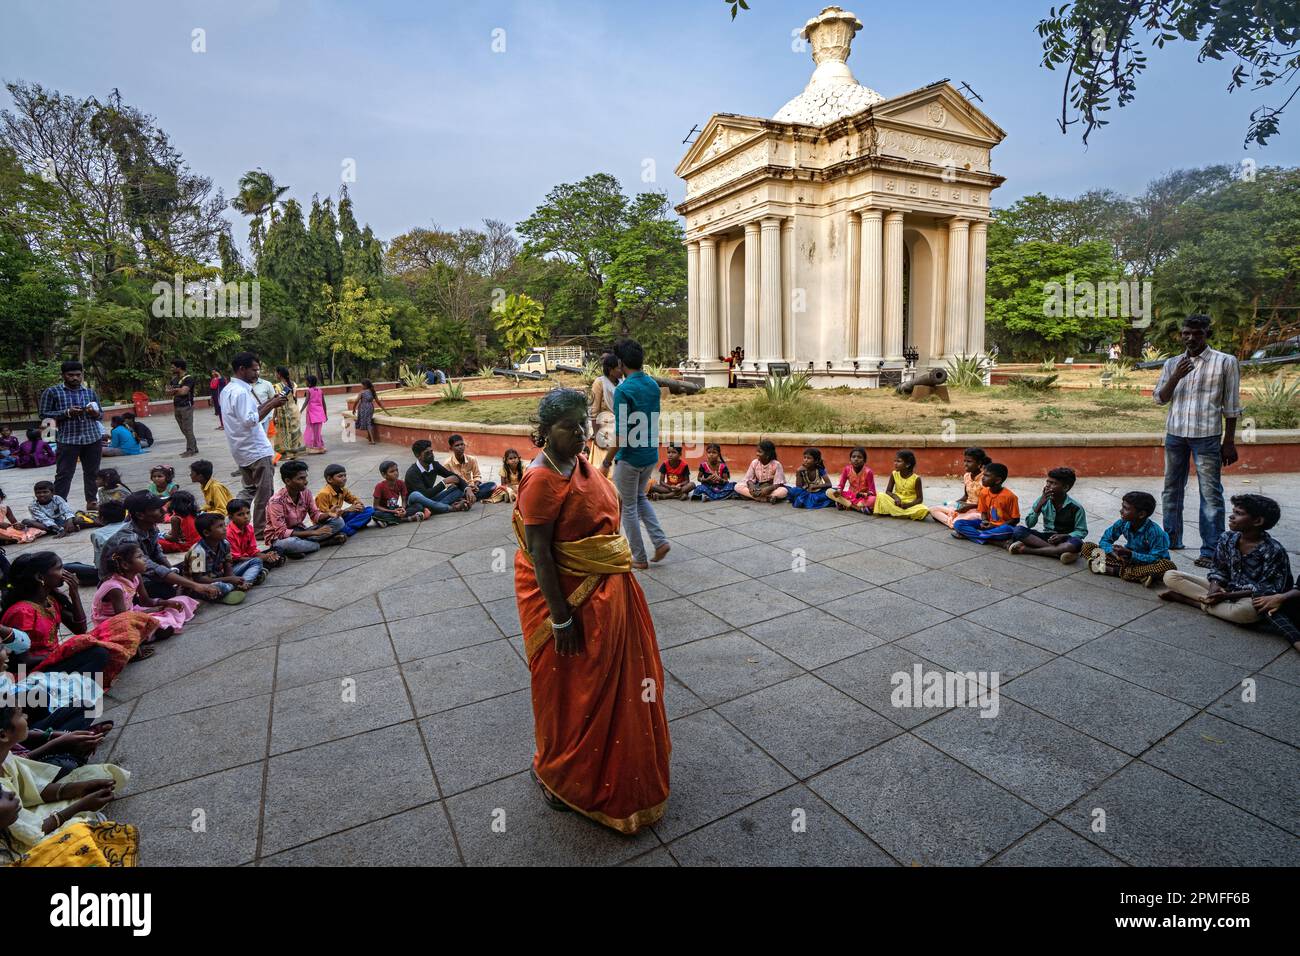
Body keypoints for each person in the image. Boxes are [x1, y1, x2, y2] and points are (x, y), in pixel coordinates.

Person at [513, 388, 669, 832]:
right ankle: (562, 773)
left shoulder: (578, 462)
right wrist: (560, 618)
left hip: (610, 593)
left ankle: (614, 774)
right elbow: (540, 555)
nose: (581, 432)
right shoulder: (541, 480)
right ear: (543, 433)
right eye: (569, 426)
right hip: (569, 603)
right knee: (571, 690)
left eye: (584, 422)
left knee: (619, 689)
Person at [1154, 314, 1241, 568]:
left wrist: (1229, 441)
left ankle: (1211, 549)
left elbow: (1232, 406)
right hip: (1175, 434)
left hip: (1207, 436)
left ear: (1207, 334)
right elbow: (1160, 399)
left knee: (1210, 493)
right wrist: (1176, 376)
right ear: (1181, 335)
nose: (1191, 338)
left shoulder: (1225, 362)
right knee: (1171, 489)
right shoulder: (1172, 363)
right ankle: (1170, 540)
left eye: (1197, 333)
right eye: (1186, 333)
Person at [0, 703, 134, 866]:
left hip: (18, 820)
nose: (26, 717)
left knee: (104, 774)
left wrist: (80, 788)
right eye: (21, 715)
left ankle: (76, 755)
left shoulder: (6, 757)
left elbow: (32, 788)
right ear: (3, 736)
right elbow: (31, 832)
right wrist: (81, 806)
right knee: (75, 830)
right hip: (12, 845)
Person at [1160, 495, 1298, 650]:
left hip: (1249, 597)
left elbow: (1268, 590)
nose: (1231, 516)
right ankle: (1211, 601)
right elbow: (1218, 569)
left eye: (1238, 513)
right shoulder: (1227, 538)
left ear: (1257, 521)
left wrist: (1226, 596)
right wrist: (1214, 587)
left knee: (1246, 614)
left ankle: (1193, 602)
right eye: (1233, 511)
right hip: (1226, 589)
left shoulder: (1273, 550)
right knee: (1171, 576)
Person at [2, 551, 159, 682]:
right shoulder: (22, 612)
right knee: (99, 654)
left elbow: (80, 629)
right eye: (59, 568)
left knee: (125, 621)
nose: (65, 573)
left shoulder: (49, 600)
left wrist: (74, 594)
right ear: (39, 577)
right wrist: (64, 652)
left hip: (56, 658)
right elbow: (22, 661)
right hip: (34, 672)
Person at [601, 339, 670, 569]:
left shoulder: (623, 390)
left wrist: (606, 460)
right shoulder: (652, 384)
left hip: (630, 457)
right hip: (650, 454)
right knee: (639, 498)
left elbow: (620, 433)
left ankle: (639, 557)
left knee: (628, 506)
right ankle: (660, 542)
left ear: (620, 363)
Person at [97, 491, 220, 601]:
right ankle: (202, 589)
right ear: (140, 515)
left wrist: (174, 573)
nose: (164, 511)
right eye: (157, 508)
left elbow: (158, 554)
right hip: (128, 585)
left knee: (194, 563)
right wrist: (194, 585)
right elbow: (152, 569)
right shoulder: (127, 539)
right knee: (171, 592)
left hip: (146, 572)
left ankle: (203, 584)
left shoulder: (151, 526)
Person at [220, 352, 288, 536]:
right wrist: (272, 404)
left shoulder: (228, 390)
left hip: (241, 449)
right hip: (255, 449)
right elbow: (250, 420)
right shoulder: (240, 392)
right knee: (265, 492)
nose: (257, 374)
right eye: (254, 370)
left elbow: (247, 415)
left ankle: (232, 521)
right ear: (242, 369)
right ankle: (261, 529)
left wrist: (270, 403)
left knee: (249, 489)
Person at [38, 360, 103, 510]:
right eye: (70, 375)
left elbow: (100, 414)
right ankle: (59, 505)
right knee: (64, 474)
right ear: (63, 375)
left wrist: (95, 413)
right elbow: (44, 414)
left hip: (92, 437)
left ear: (82, 375)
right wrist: (66, 413)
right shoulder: (52, 392)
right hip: (67, 439)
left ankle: (92, 501)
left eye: (78, 375)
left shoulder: (89, 392)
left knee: (92, 472)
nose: (75, 378)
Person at [94, 541, 200, 630]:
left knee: (182, 601)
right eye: (140, 557)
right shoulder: (115, 588)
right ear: (125, 565)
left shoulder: (137, 577)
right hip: (112, 624)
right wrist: (153, 611)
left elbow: (146, 601)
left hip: (132, 613)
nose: (145, 560)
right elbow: (122, 619)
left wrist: (167, 603)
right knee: (161, 627)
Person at [1081, 491, 1175, 587]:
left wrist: (1131, 554)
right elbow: (1105, 540)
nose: (1121, 511)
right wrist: (1112, 552)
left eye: (1126, 508)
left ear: (1141, 514)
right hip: (1125, 560)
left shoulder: (1156, 533)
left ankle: (1112, 570)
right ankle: (1139, 576)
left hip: (1147, 563)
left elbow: (1157, 557)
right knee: (1087, 546)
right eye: (1122, 506)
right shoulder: (1122, 523)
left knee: (1167, 566)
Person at [264, 460, 346, 557]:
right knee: (290, 543)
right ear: (288, 481)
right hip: (280, 538)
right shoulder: (276, 502)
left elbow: (315, 515)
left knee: (338, 521)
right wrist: (314, 532)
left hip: (301, 531)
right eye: (301, 479)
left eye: (305, 478)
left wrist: (329, 514)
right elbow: (282, 532)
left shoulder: (306, 493)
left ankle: (301, 548)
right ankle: (323, 543)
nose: (306, 482)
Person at [1007, 467, 1088, 563]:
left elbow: (1082, 531)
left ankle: (1029, 550)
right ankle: (1059, 553)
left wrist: (1064, 535)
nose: (1047, 486)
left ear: (1065, 488)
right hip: (1047, 537)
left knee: (1077, 543)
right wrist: (1039, 505)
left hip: (1066, 539)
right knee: (1018, 531)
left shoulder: (1076, 508)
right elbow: (1029, 524)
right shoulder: (1043, 500)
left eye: (1053, 483)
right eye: (1048, 482)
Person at [181, 513, 262, 604]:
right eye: (220, 526)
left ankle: (242, 584)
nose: (225, 529)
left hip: (220, 577)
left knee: (256, 561)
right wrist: (230, 580)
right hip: (200, 586)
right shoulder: (197, 552)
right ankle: (233, 587)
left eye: (224, 525)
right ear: (207, 533)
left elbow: (228, 569)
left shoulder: (225, 544)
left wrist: (234, 579)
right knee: (219, 587)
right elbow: (199, 579)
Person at [952, 462, 1020, 543]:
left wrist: (996, 525)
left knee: (1008, 530)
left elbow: (1015, 520)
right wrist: (984, 521)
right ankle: (992, 540)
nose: (983, 478)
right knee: (958, 523)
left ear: (997, 480)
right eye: (983, 475)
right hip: (989, 525)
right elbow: (983, 512)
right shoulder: (984, 492)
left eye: (987, 476)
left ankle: (973, 535)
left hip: (1003, 527)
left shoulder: (1010, 496)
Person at [929, 447, 989, 528]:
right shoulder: (967, 476)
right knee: (933, 509)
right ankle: (954, 522)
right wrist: (955, 504)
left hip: (979, 511)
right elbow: (966, 496)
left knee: (961, 520)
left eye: (969, 461)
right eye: (965, 461)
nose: (965, 464)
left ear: (979, 463)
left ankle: (953, 522)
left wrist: (969, 507)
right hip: (965, 508)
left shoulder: (986, 479)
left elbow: (988, 503)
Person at [405, 440, 469, 515]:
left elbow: (454, 477)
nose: (431, 455)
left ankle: (434, 509)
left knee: (458, 488)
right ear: (418, 456)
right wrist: (443, 483)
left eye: (431, 451)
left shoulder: (434, 465)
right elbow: (425, 494)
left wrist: (467, 489)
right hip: (417, 502)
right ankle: (451, 508)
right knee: (416, 495)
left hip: (431, 499)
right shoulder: (412, 472)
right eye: (427, 453)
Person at [315, 464, 375, 535]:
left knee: (369, 510)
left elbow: (354, 499)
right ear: (329, 479)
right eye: (340, 476)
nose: (344, 478)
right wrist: (347, 510)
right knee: (349, 528)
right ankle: (348, 528)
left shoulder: (343, 490)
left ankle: (347, 527)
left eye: (345, 475)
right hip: (330, 523)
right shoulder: (323, 494)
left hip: (341, 518)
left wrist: (358, 505)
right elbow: (325, 518)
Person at [226, 498, 284, 571]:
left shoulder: (249, 528)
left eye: (247, 513)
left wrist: (266, 556)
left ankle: (265, 565)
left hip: (249, 557)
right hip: (238, 562)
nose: (246, 517)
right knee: (257, 562)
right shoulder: (228, 533)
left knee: (278, 549)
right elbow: (235, 558)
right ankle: (266, 566)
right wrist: (261, 558)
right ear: (231, 517)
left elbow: (252, 550)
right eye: (240, 514)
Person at [587, 352, 621, 470]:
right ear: (611, 370)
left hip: (619, 428)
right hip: (604, 429)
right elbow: (594, 410)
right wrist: (596, 435)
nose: (621, 369)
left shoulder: (622, 383)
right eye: (618, 367)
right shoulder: (599, 382)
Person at [873, 450, 929, 520]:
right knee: (881, 495)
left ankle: (896, 512)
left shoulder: (916, 479)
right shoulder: (894, 474)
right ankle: (903, 514)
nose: (895, 463)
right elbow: (888, 491)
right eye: (895, 461)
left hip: (909, 504)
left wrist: (907, 505)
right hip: (896, 502)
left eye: (898, 461)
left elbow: (919, 499)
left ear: (907, 464)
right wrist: (896, 497)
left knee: (923, 509)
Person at [373, 460, 429, 526]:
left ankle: (388, 521)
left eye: (396, 470)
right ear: (384, 474)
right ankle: (408, 519)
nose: (396, 473)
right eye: (392, 471)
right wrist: (392, 511)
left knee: (419, 506)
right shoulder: (379, 486)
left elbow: (404, 500)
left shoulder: (401, 483)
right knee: (375, 514)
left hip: (396, 509)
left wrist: (403, 509)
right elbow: (376, 506)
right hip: (386, 511)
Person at [445, 434, 497, 505]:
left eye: (462, 444)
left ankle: (464, 499)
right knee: (450, 494)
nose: (460, 447)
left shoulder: (472, 459)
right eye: (457, 445)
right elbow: (449, 485)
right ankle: (468, 497)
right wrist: (465, 489)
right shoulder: (447, 464)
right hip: (459, 490)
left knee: (492, 485)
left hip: (472, 488)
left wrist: (475, 485)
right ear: (451, 448)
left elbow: (477, 476)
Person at [826, 447, 876, 513]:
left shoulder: (868, 472)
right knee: (829, 491)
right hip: (850, 495)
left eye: (859, 457)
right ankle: (857, 508)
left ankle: (844, 504)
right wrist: (838, 491)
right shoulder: (847, 469)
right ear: (850, 460)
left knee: (873, 500)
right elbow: (841, 485)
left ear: (864, 460)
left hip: (862, 498)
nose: (856, 459)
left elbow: (872, 492)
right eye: (853, 457)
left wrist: (863, 494)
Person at [165, 360, 199, 456]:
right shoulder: (174, 379)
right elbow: (167, 392)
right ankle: (194, 447)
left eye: (173, 367)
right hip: (177, 406)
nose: (171, 369)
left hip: (186, 406)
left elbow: (184, 392)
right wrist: (176, 390)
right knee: (183, 429)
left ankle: (190, 450)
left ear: (179, 368)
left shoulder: (188, 379)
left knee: (188, 429)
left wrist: (174, 390)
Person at [271, 366, 305, 461]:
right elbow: (295, 399)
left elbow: (277, 402)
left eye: (276, 373)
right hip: (294, 410)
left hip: (283, 412)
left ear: (279, 374)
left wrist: (274, 416)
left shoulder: (277, 386)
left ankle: (286, 454)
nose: (275, 375)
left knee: (284, 433)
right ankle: (294, 453)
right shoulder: (293, 384)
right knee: (295, 431)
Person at [88, 500, 127, 568]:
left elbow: (98, 561)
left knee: (70, 566)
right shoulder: (130, 527)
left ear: (102, 519)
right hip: (132, 567)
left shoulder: (97, 534)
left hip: (108, 572)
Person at [354, 379, 390, 445]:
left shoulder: (362, 392)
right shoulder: (372, 391)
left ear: (365, 385)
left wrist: (353, 409)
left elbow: (356, 401)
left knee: (367, 422)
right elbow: (378, 402)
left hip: (363, 408)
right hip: (370, 407)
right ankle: (369, 437)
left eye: (362, 385)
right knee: (368, 421)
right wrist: (385, 410)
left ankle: (372, 440)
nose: (361, 386)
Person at [303, 374, 328, 453]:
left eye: (306, 381)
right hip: (320, 414)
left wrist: (300, 411)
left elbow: (306, 402)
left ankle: (314, 446)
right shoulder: (320, 390)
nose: (305, 383)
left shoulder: (309, 391)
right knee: (318, 431)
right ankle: (319, 445)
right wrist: (325, 414)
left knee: (311, 430)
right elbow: (324, 403)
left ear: (309, 383)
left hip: (311, 414)